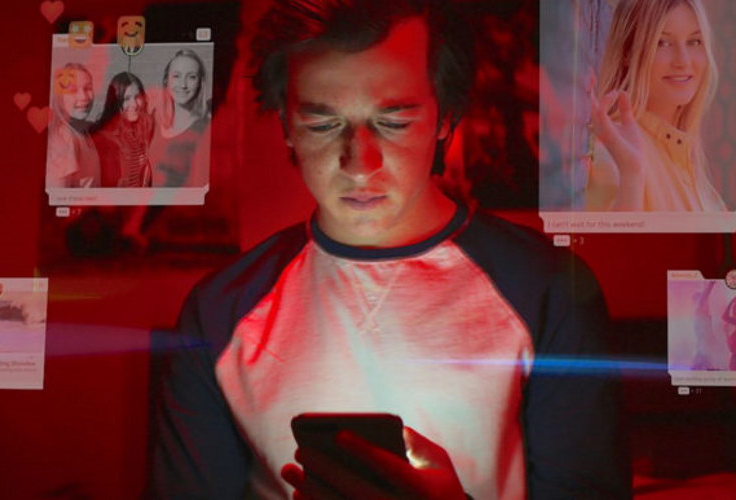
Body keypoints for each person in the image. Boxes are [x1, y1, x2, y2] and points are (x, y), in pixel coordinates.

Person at [151, 1, 630, 498]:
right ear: (286, 126)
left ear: (445, 117)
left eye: (394, 122)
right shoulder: (221, 311)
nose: (360, 164)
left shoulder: (546, 288)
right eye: (323, 124)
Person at [585, 0, 726, 212]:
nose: (683, 61)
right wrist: (631, 175)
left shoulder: (692, 170)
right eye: (662, 42)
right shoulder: (613, 156)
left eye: (694, 41)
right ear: (627, 52)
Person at [150, 49, 210, 187]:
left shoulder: (206, 130)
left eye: (191, 77)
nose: (183, 85)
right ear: (166, 80)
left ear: (200, 83)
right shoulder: (152, 122)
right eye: (176, 76)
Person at [93, 72, 154, 187]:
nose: (134, 104)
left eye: (137, 97)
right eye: (126, 98)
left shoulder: (144, 131)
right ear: (115, 102)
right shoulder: (104, 139)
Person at [46, 62, 101, 188]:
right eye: (73, 90)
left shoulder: (81, 131)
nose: (83, 97)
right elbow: (58, 194)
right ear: (59, 96)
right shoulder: (65, 137)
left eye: (88, 88)